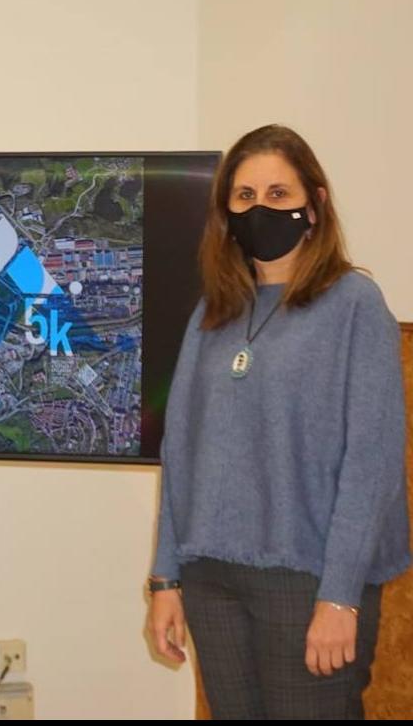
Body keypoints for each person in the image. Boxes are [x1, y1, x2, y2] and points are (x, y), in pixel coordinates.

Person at [146, 124, 410, 719]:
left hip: (310, 583)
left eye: (277, 194)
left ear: (313, 206)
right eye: (243, 197)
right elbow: (180, 453)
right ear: (226, 211)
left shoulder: (354, 306)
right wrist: (166, 581)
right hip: (212, 578)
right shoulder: (212, 313)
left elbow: (371, 463)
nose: (259, 209)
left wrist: (340, 597)